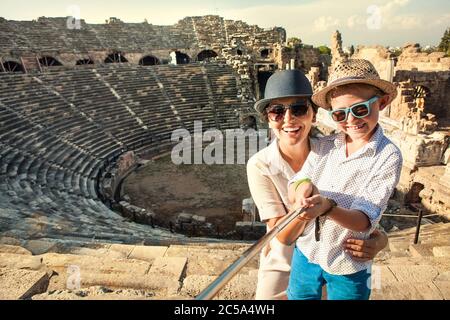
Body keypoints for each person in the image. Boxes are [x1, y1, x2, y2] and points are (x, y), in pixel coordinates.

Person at [247, 68, 389, 300]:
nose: (288, 119)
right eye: (277, 111)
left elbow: (366, 209)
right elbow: (281, 236)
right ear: (269, 119)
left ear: (313, 114)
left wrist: (380, 238)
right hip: (282, 263)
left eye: (299, 109)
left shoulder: (335, 150)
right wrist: (312, 207)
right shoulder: (260, 164)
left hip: (337, 260)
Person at [280, 59, 403, 300]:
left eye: (360, 109)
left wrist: (327, 207)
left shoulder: (388, 156)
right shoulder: (325, 145)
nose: (351, 120)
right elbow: (296, 181)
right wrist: (302, 188)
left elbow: (364, 220)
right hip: (308, 251)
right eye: (340, 114)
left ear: (382, 102)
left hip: (349, 260)